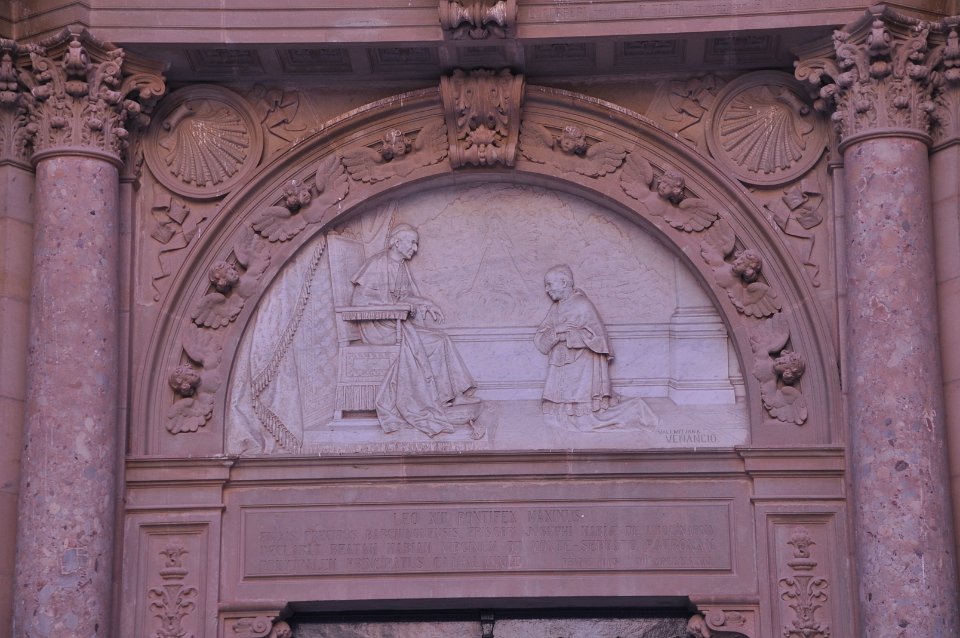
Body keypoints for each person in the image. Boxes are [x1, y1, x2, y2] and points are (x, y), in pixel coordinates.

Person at [351, 224, 479, 437]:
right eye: (412, 242)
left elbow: (405, 297)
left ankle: (452, 395)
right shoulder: (377, 264)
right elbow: (359, 302)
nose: (415, 248)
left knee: (441, 338)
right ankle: (436, 399)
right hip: (378, 327)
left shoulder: (400, 266)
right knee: (435, 341)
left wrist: (426, 303)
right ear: (396, 242)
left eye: (416, 243)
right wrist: (395, 308)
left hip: (396, 323)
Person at [534, 264, 659, 431]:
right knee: (562, 416)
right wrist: (557, 331)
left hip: (582, 366)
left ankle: (636, 409)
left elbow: (598, 338)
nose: (547, 289)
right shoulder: (556, 307)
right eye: (546, 285)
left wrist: (568, 336)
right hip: (561, 365)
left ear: (564, 283)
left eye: (550, 284)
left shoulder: (582, 305)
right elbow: (542, 335)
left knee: (585, 418)